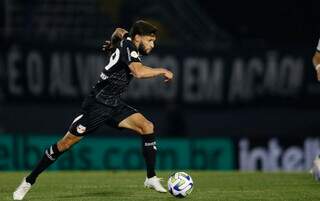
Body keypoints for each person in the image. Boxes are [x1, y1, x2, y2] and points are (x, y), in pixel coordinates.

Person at [13, 20, 174, 200]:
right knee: (65, 144)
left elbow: (119, 30)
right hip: (97, 104)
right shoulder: (130, 47)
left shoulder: (127, 40)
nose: (153, 45)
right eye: (150, 40)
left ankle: (151, 177)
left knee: (147, 126)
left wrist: (112, 44)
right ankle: (28, 181)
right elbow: (138, 72)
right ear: (138, 37)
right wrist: (163, 70)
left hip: (113, 103)